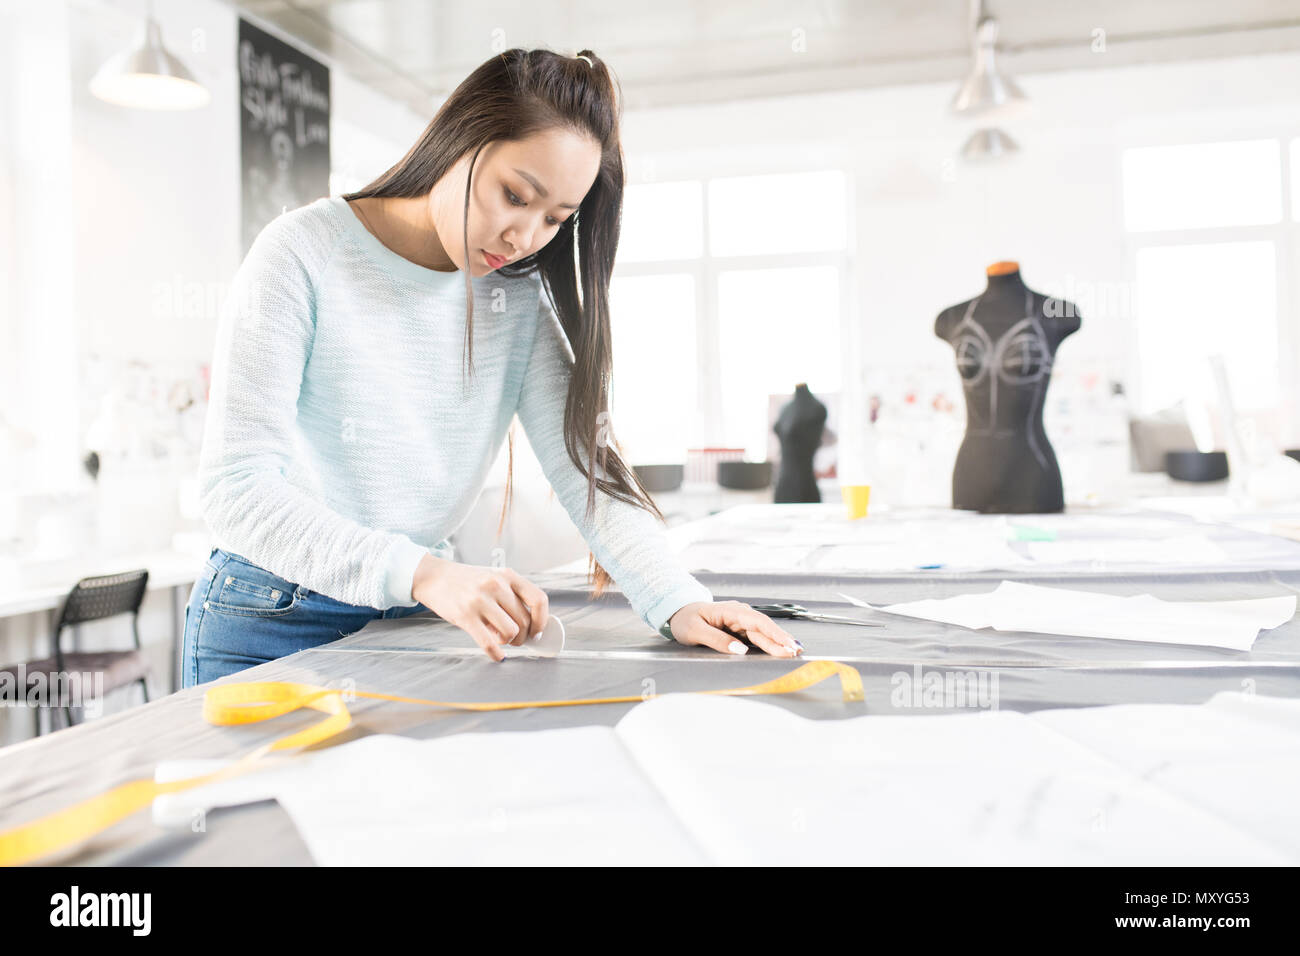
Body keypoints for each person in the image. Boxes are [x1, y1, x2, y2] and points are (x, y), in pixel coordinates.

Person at [181, 48, 800, 686]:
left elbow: (586, 467)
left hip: (404, 616)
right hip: (270, 620)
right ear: (460, 138)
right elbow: (237, 488)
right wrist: (426, 573)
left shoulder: (514, 299)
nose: (524, 238)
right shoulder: (302, 252)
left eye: (555, 220)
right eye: (514, 195)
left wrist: (679, 600)